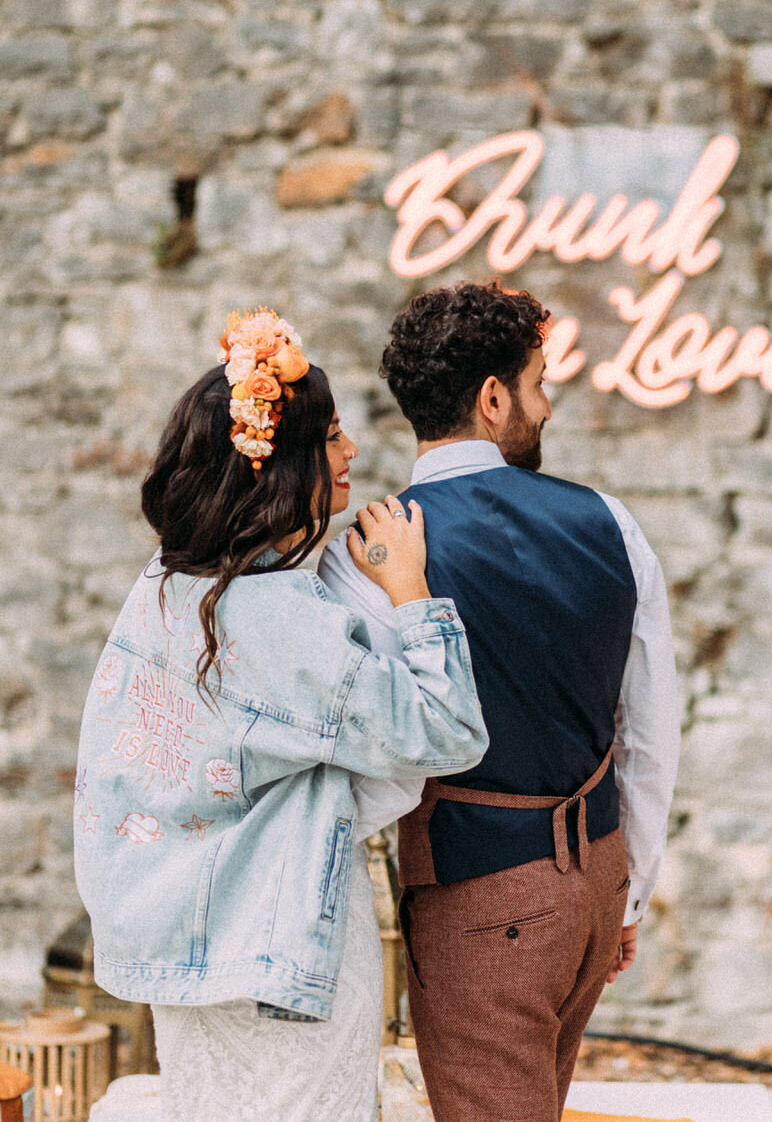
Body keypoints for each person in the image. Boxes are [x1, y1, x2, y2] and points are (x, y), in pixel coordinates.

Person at [74, 307, 487, 1122]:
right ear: (285, 462)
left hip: (176, 951)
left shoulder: (162, 585)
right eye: (332, 436)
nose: (352, 452)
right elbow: (449, 731)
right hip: (278, 956)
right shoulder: (281, 619)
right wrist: (410, 588)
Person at [320, 280, 681, 1122]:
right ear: (492, 399)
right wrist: (628, 891)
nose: (546, 407)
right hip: (596, 879)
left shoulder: (369, 552)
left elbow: (371, 754)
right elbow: (652, 732)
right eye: (538, 382)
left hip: (482, 903)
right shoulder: (613, 524)